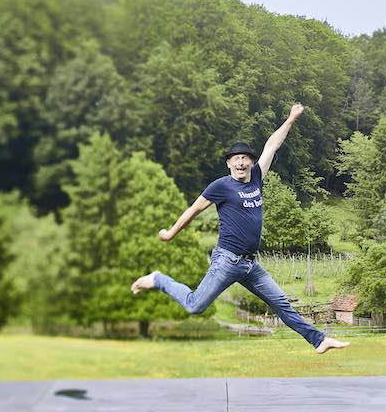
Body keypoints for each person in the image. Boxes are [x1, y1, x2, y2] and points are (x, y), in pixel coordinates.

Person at [131, 103, 350, 355]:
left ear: (251, 163)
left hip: (250, 265)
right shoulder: (220, 187)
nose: (242, 162)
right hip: (227, 260)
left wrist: (291, 118)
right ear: (229, 164)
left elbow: (272, 145)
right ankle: (158, 279)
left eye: (246, 158)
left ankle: (319, 340)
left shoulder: (257, 177)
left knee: (282, 305)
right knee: (194, 306)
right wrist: (170, 233)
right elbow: (193, 210)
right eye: (237, 158)